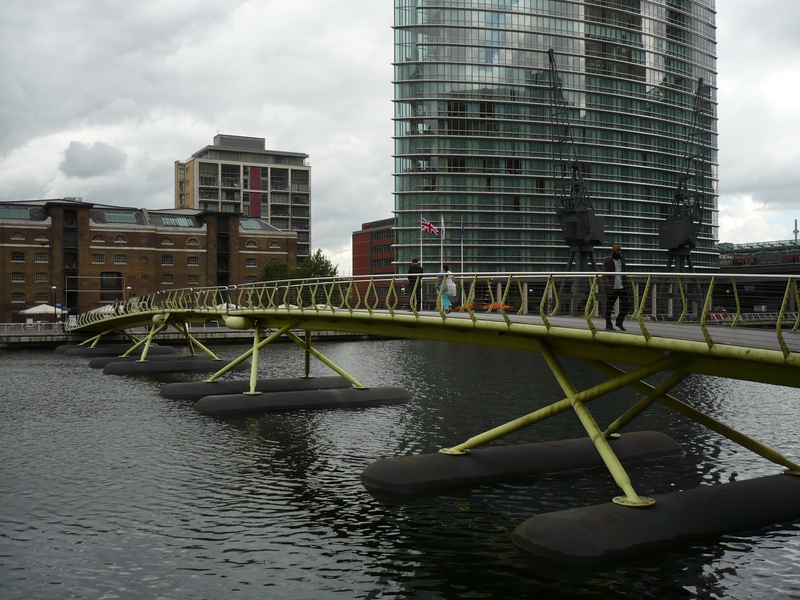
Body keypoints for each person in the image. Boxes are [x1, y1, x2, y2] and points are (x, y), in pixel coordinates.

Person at [602, 243, 629, 331]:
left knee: (626, 304)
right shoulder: (607, 260)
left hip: (621, 286)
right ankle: (608, 325)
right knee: (609, 307)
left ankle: (619, 322)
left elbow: (624, 273)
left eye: (620, 250)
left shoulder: (622, 260)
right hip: (611, 287)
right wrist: (608, 285)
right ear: (613, 250)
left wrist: (626, 283)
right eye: (617, 250)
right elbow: (604, 274)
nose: (619, 252)